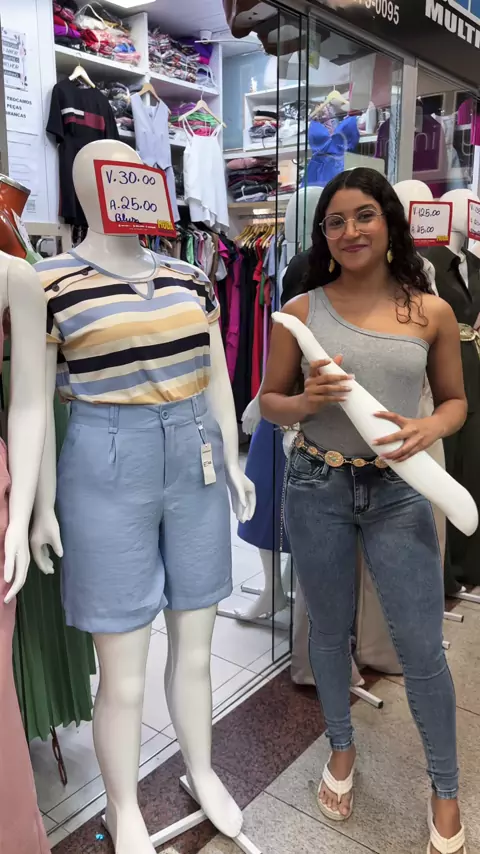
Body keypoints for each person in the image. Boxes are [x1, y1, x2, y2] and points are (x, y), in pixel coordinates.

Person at [260, 168, 467, 854]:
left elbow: (454, 402)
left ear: (388, 224)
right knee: (328, 633)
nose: (350, 231)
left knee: (422, 647)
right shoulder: (300, 310)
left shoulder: (430, 312)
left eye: (363, 216)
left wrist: (431, 427)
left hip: (399, 491)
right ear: (322, 234)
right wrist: (306, 402)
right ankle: (341, 748)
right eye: (335, 221)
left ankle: (444, 789)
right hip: (316, 483)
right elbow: (269, 402)